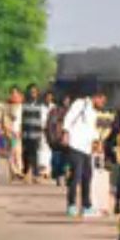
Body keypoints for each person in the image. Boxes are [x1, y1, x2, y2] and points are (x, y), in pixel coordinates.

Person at [63, 89, 107, 217]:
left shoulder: (95, 112)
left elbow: (92, 129)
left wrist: (97, 143)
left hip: (87, 148)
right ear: (96, 97)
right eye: (102, 101)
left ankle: (86, 205)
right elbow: (69, 117)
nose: (102, 104)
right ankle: (71, 204)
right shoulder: (81, 103)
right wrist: (66, 133)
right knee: (75, 176)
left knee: (87, 176)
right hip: (75, 144)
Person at [22, 85, 47, 183]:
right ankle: (26, 172)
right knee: (26, 153)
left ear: (37, 93)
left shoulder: (41, 105)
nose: (33, 94)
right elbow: (21, 119)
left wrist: (43, 131)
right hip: (26, 133)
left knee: (34, 154)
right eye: (31, 92)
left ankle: (35, 174)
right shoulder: (24, 104)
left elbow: (43, 120)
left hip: (36, 134)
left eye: (34, 92)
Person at [46, 93, 71, 185]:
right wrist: (51, 138)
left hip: (67, 140)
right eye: (65, 100)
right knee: (56, 160)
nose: (67, 102)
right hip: (56, 140)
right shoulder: (54, 111)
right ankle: (57, 175)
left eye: (68, 100)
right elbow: (50, 126)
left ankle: (64, 175)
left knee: (66, 160)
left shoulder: (71, 111)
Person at [4, 87, 25, 181]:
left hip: (19, 132)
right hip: (12, 133)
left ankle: (18, 171)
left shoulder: (21, 105)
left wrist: (21, 130)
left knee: (19, 152)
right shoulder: (7, 106)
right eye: (12, 92)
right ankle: (15, 171)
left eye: (16, 92)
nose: (14, 94)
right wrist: (9, 131)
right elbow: (5, 120)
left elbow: (22, 120)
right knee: (12, 152)